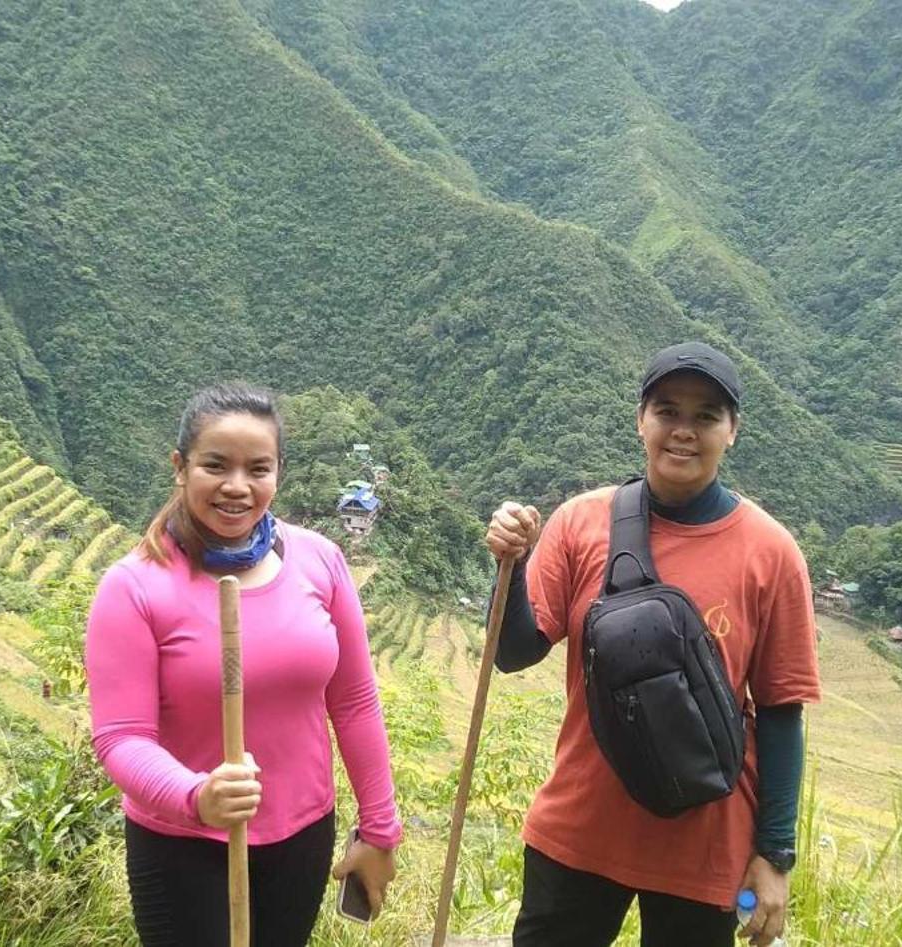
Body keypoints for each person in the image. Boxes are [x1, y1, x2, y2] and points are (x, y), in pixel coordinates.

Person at [482, 342, 820, 947]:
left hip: (707, 844)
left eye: (706, 416)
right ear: (641, 420)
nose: (684, 432)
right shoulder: (582, 521)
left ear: (733, 431)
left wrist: (774, 854)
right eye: (667, 411)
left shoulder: (772, 553)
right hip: (582, 828)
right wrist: (510, 563)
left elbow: (779, 710)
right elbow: (513, 653)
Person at [86, 382, 401, 946]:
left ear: (278, 472)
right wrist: (196, 795)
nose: (237, 486)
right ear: (180, 467)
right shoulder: (133, 587)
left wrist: (380, 829)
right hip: (182, 845)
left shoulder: (319, 562)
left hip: (302, 834)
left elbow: (353, 701)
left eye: (258, 468)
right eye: (215, 465)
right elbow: (121, 738)